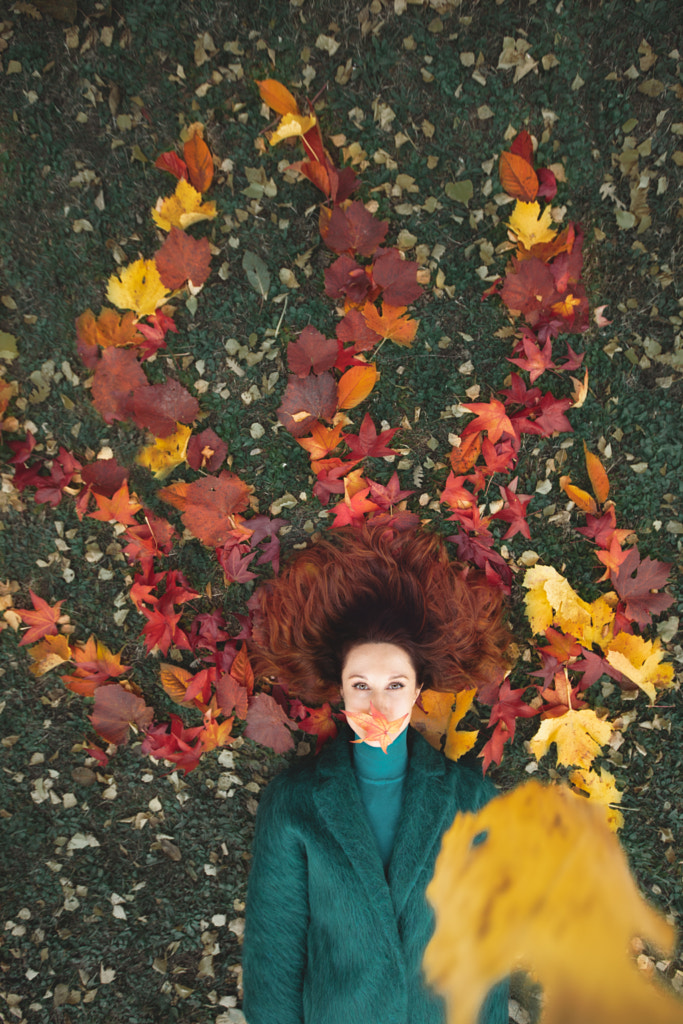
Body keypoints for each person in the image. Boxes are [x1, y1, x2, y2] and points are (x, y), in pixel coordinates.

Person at [242, 518, 511, 1024]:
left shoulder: (472, 801)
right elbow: (273, 957)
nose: (378, 705)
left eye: (395, 685)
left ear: (417, 690)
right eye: (361, 685)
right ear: (340, 690)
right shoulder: (293, 804)